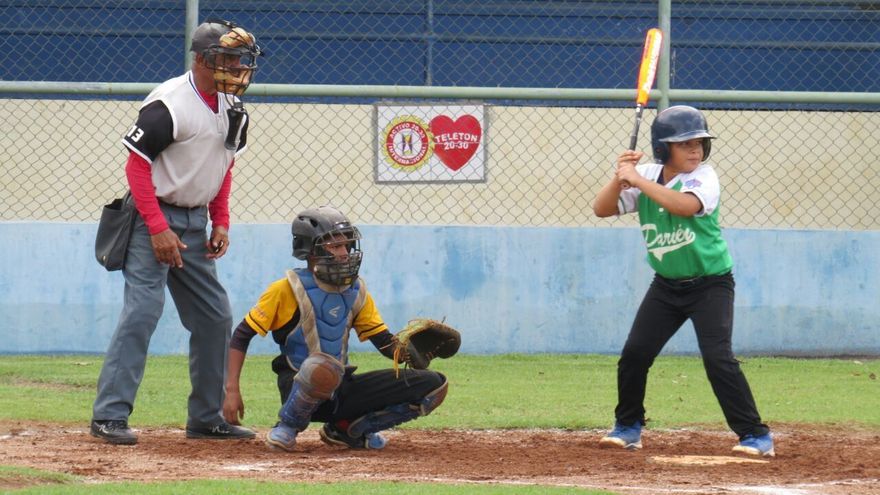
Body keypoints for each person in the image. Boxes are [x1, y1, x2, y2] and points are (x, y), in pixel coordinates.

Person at [90, 19, 263, 445]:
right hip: (153, 218)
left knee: (214, 316)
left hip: (196, 222)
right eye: (227, 58)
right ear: (202, 59)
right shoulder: (169, 104)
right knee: (143, 312)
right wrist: (157, 227)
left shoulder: (233, 107)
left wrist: (221, 220)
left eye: (240, 58)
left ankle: (206, 418)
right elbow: (137, 166)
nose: (237, 66)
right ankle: (109, 416)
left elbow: (224, 166)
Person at [592, 105, 774, 457]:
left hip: (711, 284)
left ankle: (755, 435)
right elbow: (602, 208)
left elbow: (684, 206)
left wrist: (637, 180)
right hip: (666, 286)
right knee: (635, 354)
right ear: (663, 148)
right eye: (685, 144)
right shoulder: (647, 174)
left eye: (699, 143)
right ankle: (628, 427)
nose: (695, 150)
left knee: (718, 358)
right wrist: (619, 176)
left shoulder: (704, 177)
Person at [222, 206, 449, 451]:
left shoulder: (356, 291)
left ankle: (349, 428)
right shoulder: (285, 289)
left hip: (340, 387)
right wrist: (231, 390)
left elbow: (383, 342)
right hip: (298, 384)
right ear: (310, 250)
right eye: (335, 246)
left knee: (434, 384)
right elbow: (242, 335)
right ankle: (287, 426)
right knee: (320, 367)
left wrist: (410, 352)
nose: (344, 253)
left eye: (346, 245)